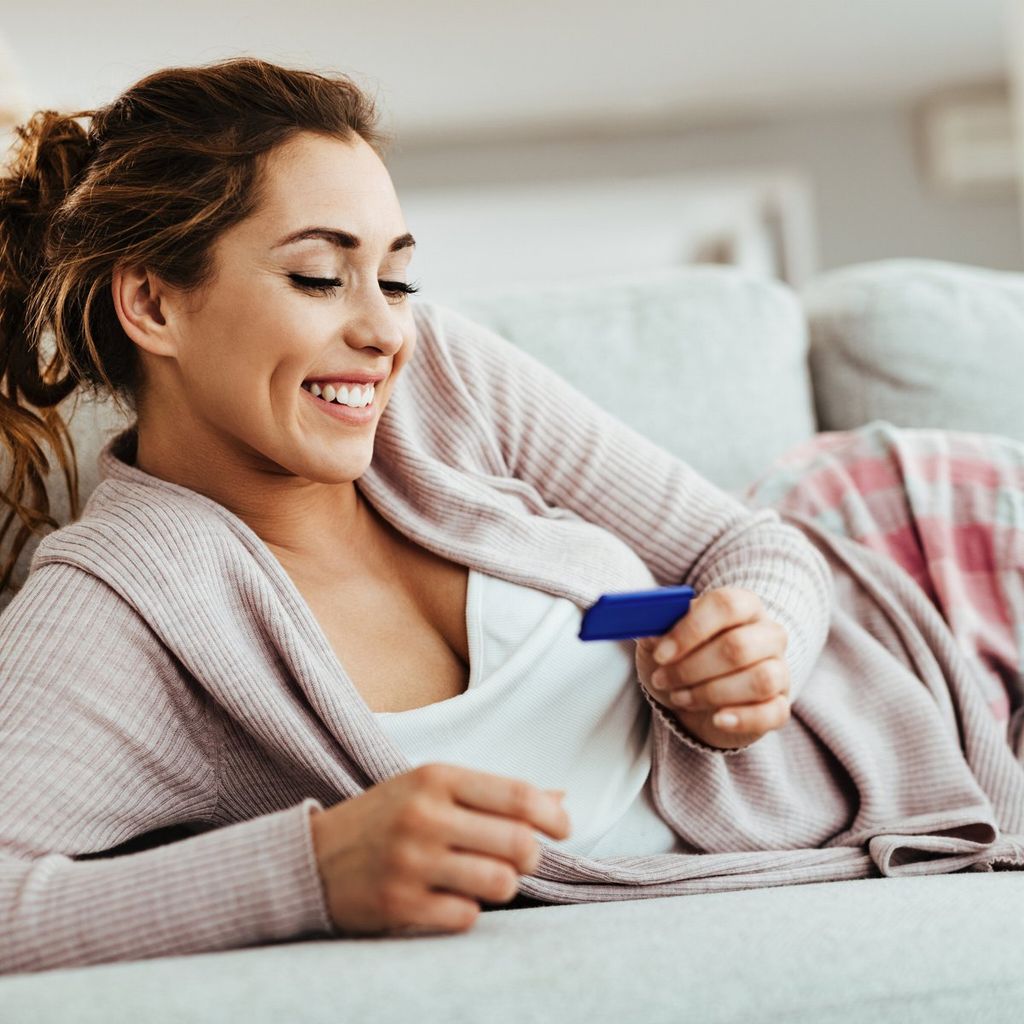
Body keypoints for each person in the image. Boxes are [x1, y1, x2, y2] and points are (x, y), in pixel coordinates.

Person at [0, 59, 1021, 976]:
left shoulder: (436, 380)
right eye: (320, 275)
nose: (381, 329)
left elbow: (747, 546)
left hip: (923, 561)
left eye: (394, 276)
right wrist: (307, 870)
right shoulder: (126, 607)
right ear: (153, 304)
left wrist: (768, 639)